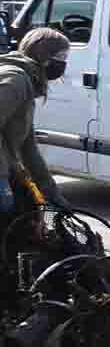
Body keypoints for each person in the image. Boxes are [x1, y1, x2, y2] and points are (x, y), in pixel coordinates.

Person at [0, 28, 72, 214]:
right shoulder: (15, 80)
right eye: (61, 56)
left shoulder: (27, 82)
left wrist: (51, 192)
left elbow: (28, 148)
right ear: (44, 55)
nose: (64, 63)